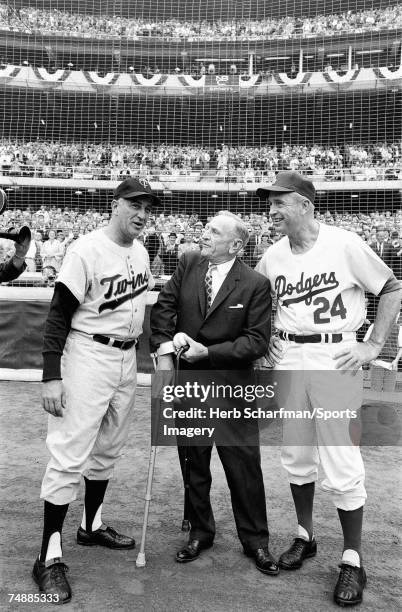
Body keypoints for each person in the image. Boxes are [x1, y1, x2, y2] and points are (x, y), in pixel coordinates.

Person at [255, 171, 402, 607]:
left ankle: (353, 558)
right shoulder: (272, 256)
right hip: (290, 359)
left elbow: (391, 286)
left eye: (279, 201)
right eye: (270, 202)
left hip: (335, 356)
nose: (272, 209)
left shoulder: (344, 243)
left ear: (304, 204)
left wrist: (373, 344)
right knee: (297, 454)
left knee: (340, 455)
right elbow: (259, 303)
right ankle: (305, 535)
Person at [32, 177, 161, 603]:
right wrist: (52, 374)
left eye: (148, 207)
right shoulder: (85, 249)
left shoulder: (141, 252)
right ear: (115, 204)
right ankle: (48, 556)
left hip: (125, 359)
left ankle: (90, 525)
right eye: (135, 205)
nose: (142, 214)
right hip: (87, 353)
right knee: (70, 451)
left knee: (108, 448)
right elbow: (57, 315)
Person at [150, 212, 279, 575]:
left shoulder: (255, 283)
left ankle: (256, 542)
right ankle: (199, 532)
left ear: (236, 245)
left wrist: (208, 352)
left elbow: (256, 341)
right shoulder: (189, 262)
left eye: (213, 232)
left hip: (232, 389)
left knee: (244, 468)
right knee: (193, 464)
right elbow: (163, 310)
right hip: (188, 386)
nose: (203, 234)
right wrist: (165, 347)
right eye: (204, 227)